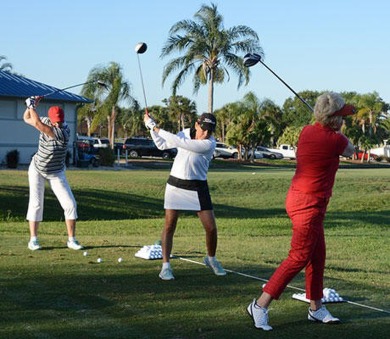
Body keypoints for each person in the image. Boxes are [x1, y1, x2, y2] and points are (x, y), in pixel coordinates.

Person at [247, 92, 355, 331]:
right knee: (298, 257)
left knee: (317, 256)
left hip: (299, 198)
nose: (344, 120)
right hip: (309, 205)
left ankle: (316, 308)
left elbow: (329, 131)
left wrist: (332, 121)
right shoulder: (335, 140)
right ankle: (260, 305)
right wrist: (337, 130)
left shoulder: (307, 131)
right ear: (335, 120)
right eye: (342, 116)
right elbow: (351, 150)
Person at [144, 111, 226, 280]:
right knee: (169, 225)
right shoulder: (185, 133)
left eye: (209, 131)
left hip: (198, 186)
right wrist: (150, 127)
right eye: (203, 129)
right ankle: (165, 266)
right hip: (176, 184)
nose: (205, 133)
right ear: (197, 124)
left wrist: (154, 126)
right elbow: (161, 144)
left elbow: (180, 142)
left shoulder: (209, 144)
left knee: (211, 227)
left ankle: (211, 258)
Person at [23, 96, 83, 251]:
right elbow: (27, 118)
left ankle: (71, 240)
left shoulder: (64, 132)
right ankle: (33, 240)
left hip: (56, 172)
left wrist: (31, 105)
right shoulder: (46, 121)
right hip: (37, 169)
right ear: (51, 118)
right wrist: (31, 106)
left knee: (70, 204)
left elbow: (37, 123)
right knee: (36, 204)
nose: (58, 122)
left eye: (60, 120)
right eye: (56, 120)